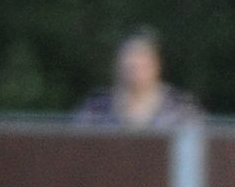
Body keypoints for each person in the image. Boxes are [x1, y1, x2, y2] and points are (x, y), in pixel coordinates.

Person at [74, 29, 202, 129]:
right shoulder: (96, 110)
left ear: (156, 64)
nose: (135, 64)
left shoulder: (181, 109)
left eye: (142, 58)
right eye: (129, 59)